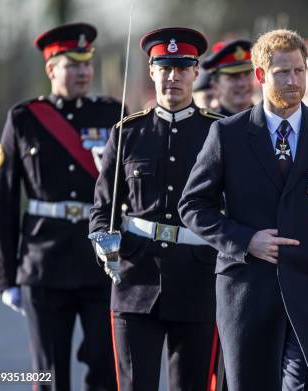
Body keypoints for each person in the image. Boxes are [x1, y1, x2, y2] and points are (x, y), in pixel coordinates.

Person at [178, 29, 308, 391]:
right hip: (247, 293)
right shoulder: (227, 135)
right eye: (283, 72)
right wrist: (245, 240)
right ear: (261, 75)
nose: (293, 80)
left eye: (299, 71)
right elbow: (192, 205)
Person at [89, 27, 223, 391]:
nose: (173, 77)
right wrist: (103, 241)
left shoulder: (219, 133)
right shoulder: (127, 133)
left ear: (196, 72)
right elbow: (103, 207)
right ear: (151, 71)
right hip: (136, 279)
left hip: (198, 281)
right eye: (164, 67)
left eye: (182, 68)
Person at [0, 22, 120, 390]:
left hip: (100, 262)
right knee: (47, 373)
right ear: (51, 69)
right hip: (43, 265)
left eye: (87, 63)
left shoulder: (113, 113)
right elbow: (4, 202)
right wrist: (6, 276)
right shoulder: (25, 119)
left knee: (105, 368)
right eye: (73, 64)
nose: (83, 72)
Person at [203, 39, 254, 116]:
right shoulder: (209, 126)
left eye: (247, 74)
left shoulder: (271, 121)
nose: (243, 84)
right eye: (234, 77)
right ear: (215, 86)